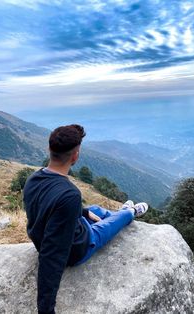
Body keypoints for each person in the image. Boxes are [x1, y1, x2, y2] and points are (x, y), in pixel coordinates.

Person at [23, 124, 148, 314]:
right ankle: (129, 211)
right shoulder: (69, 194)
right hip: (80, 246)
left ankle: (111, 213)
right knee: (117, 220)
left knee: (94, 210)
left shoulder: (34, 178)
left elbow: (51, 204)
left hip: (47, 233)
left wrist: (81, 212)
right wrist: (45, 310)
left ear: (49, 149)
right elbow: (52, 255)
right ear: (75, 156)